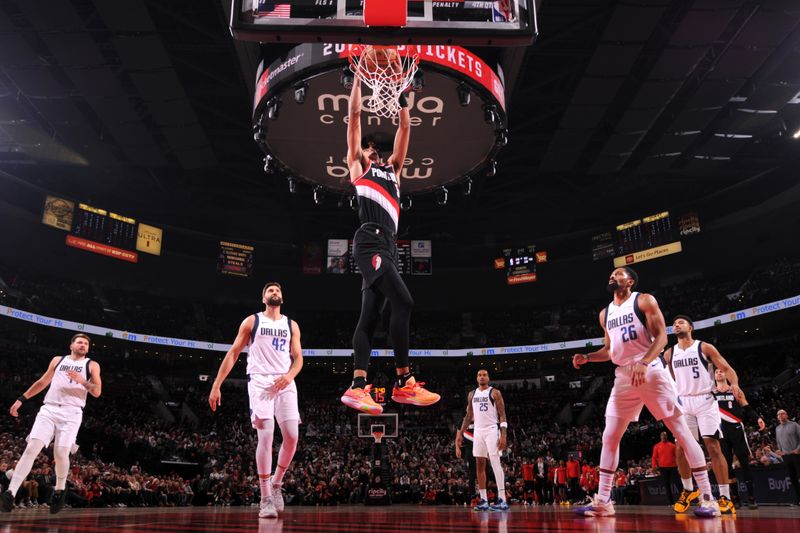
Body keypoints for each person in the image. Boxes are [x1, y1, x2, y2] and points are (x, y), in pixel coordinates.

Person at [572, 267, 719, 517]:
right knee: (610, 436)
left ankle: (708, 498)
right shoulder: (604, 313)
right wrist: (587, 357)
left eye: (618, 273)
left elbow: (662, 338)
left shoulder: (644, 300)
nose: (612, 276)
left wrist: (644, 362)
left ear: (629, 281)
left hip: (650, 369)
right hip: (624, 375)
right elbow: (609, 350)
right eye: (610, 273)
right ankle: (604, 501)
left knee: (681, 432)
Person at [340, 56, 440, 414]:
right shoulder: (359, 167)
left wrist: (400, 98)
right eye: (369, 147)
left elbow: (406, 130)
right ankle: (403, 381)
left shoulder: (394, 171)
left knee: (369, 317)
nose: (374, 150)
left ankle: (357, 386)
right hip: (369, 239)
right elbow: (353, 119)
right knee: (405, 302)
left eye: (376, 148)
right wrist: (357, 80)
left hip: (389, 246)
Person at [208, 282, 303, 519]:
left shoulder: (291, 324)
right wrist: (216, 384)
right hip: (260, 382)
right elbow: (233, 353)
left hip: (285, 381)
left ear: (283, 297)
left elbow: (299, 358)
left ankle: (277, 483)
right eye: (270, 291)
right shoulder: (252, 321)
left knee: (292, 437)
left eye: (278, 291)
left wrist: (289, 375)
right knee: (267, 434)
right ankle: (265, 498)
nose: (275, 293)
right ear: (263, 298)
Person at [1, 334, 102, 514]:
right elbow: (42, 382)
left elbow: (97, 392)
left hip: (72, 412)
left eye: (86, 343)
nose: (83, 345)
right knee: (32, 448)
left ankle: (60, 490)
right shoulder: (58, 360)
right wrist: (21, 399)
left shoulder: (91, 365)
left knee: (61, 452)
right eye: (80, 342)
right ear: (71, 345)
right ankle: (11, 491)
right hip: (49, 409)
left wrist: (82, 382)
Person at [663, 315, 740, 514]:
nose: (676, 325)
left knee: (713, 446)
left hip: (705, 400)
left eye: (680, 322)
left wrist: (735, 385)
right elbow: (666, 379)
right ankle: (688, 490)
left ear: (690, 327)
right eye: (674, 324)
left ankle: (725, 496)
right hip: (683, 402)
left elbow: (726, 368)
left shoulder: (704, 347)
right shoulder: (669, 353)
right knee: (681, 448)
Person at [455, 369, 509, 511]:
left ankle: (502, 499)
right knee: (479, 464)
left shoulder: (495, 393)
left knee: (495, 462)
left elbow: (502, 415)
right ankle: (484, 499)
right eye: (479, 375)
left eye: (484, 375)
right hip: (478, 431)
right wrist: (460, 433)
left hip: (492, 429)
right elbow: (468, 416)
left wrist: (503, 435)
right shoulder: (472, 394)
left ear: (488, 378)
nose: (482, 377)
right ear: (476, 378)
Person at [713, 367, 765, 509]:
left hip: (736, 429)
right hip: (721, 433)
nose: (719, 373)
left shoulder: (735, 390)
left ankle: (751, 497)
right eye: (716, 371)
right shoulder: (711, 393)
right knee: (727, 466)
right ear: (714, 375)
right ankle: (735, 498)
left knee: (744, 463)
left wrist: (758, 418)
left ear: (727, 374)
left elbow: (746, 407)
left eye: (721, 371)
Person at [775, 409, 800, 505]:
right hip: (786, 457)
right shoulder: (777, 428)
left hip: (796, 455)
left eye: (783, 413)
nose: (781, 415)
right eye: (779, 414)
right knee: (793, 478)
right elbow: (778, 442)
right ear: (777, 417)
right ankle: (798, 499)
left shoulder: (794, 425)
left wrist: (798, 449)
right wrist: (780, 451)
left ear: (787, 415)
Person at [651, 431, 679, 505]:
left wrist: (679, 466)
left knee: (678, 483)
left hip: (673, 467)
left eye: (665, 435)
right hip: (663, 468)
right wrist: (654, 466)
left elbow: (677, 457)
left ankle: (682, 500)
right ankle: (671, 502)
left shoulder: (672, 446)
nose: (663, 436)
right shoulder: (657, 446)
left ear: (667, 436)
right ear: (660, 437)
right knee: (666, 485)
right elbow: (654, 457)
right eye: (662, 435)